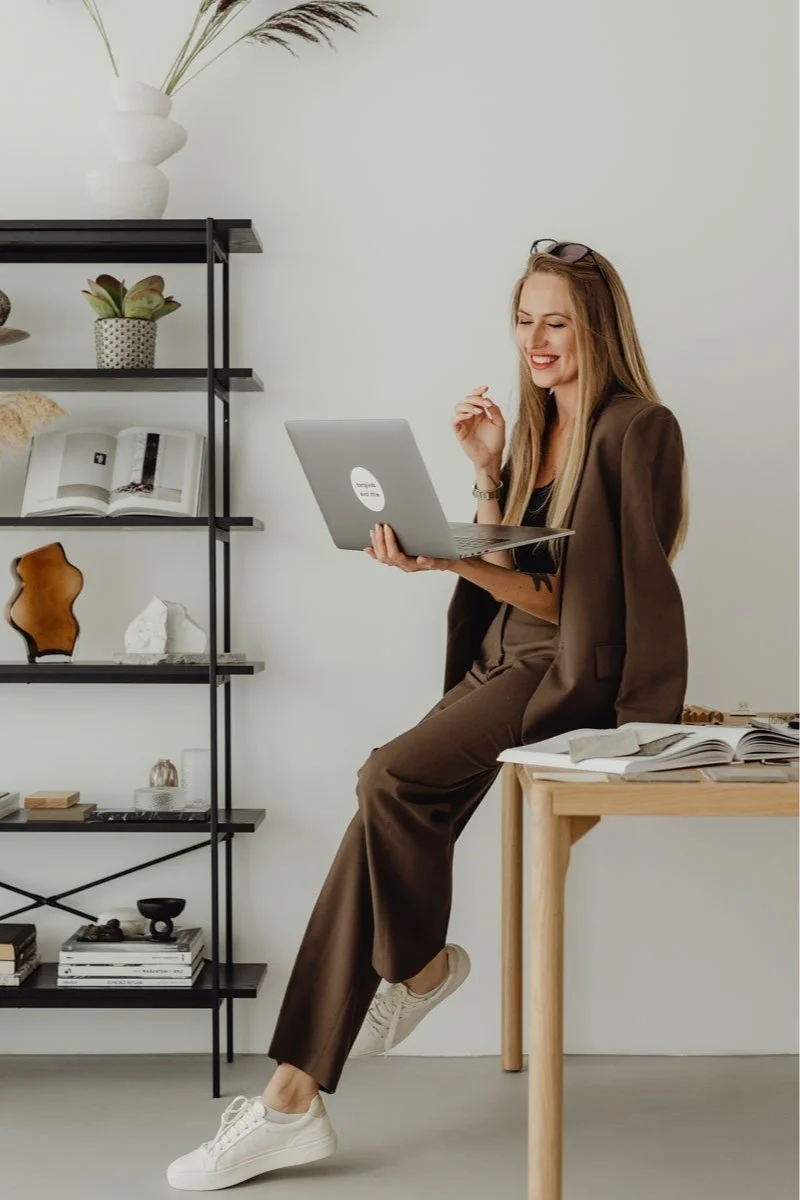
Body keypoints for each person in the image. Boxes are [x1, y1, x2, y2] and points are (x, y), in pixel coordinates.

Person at [166, 239, 690, 1191]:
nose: (536, 340)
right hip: (500, 657)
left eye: (558, 321)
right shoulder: (539, 430)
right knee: (386, 803)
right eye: (524, 319)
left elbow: (585, 606)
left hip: (565, 670)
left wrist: (446, 559)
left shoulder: (635, 429)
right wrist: (486, 477)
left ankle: (353, 1033)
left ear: (599, 328)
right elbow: (517, 565)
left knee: (387, 778)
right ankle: (335, 1051)